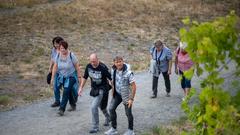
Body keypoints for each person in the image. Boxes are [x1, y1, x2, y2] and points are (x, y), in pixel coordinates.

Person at [78, 53, 111, 134]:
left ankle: (95, 127)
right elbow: (85, 77)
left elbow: (111, 78)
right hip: (94, 89)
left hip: (103, 89)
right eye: (91, 61)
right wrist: (81, 88)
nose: (93, 63)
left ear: (97, 59)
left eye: (94, 61)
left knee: (93, 107)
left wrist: (114, 90)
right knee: (102, 107)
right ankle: (108, 117)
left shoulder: (103, 67)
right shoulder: (88, 66)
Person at [105, 56, 136, 135]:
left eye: (120, 61)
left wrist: (131, 99)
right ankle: (113, 129)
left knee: (128, 113)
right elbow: (113, 82)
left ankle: (130, 130)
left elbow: (134, 86)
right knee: (111, 109)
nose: (119, 63)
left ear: (123, 61)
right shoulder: (113, 70)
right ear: (114, 63)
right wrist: (113, 93)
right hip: (117, 94)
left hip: (126, 96)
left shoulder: (128, 73)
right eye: (117, 62)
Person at [51, 40, 82, 116]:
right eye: (61, 48)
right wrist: (52, 77)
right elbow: (55, 67)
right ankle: (73, 105)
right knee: (69, 91)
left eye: (63, 48)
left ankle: (61, 109)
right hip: (62, 76)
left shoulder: (71, 55)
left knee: (66, 91)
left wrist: (79, 77)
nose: (62, 50)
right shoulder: (58, 55)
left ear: (67, 48)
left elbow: (77, 67)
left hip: (71, 76)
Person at [49, 36, 64, 107]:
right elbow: (52, 59)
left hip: (64, 72)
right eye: (54, 44)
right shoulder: (53, 50)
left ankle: (73, 99)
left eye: (57, 43)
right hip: (56, 72)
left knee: (68, 88)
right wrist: (50, 68)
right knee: (55, 87)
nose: (55, 45)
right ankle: (57, 101)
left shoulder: (63, 50)